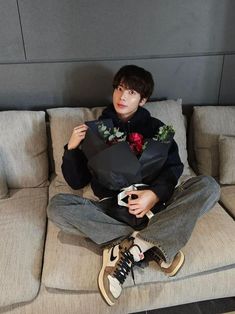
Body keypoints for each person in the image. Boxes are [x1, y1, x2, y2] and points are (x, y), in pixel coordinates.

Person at [47, 65, 220, 306]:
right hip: (113, 210)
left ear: (143, 99)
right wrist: (72, 148)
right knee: (57, 207)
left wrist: (154, 194)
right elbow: (77, 182)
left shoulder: (159, 129)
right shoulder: (96, 130)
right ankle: (151, 243)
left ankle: (136, 245)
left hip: (157, 206)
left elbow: (174, 169)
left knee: (209, 186)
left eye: (131, 92)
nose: (122, 96)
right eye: (119, 89)